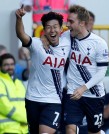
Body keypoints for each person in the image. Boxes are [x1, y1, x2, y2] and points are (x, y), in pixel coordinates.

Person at [15, 5, 70, 134]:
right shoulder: (37, 44)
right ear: (44, 30)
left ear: (61, 29)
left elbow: (80, 29)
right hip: (32, 99)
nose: (52, 30)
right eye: (48, 27)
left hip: (53, 100)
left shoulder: (67, 41)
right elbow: (21, 35)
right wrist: (19, 19)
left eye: (55, 26)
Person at [61, 5, 109, 134]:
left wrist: (83, 88)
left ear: (82, 23)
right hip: (73, 92)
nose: (67, 24)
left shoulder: (99, 43)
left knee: (94, 131)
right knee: (70, 128)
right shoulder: (67, 36)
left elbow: (101, 73)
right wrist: (43, 38)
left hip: (94, 94)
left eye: (71, 21)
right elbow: (51, 39)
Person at [0, 53, 28, 133]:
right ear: (0, 67)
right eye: (6, 65)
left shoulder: (19, 83)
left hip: (23, 130)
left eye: (12, 64)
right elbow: (5, 106)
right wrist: (25, 118)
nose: (10, 67)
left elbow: (27, 104)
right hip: (7, 129)